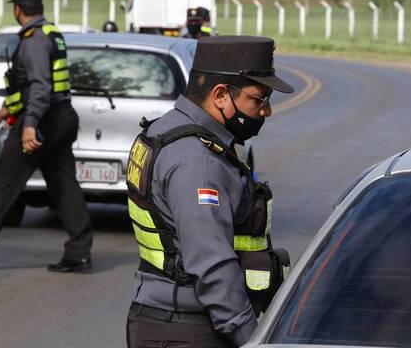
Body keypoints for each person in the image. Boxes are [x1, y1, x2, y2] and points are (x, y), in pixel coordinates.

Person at [125, 36, 294, 347]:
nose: (266, 111)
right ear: (220, 95)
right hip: (188, 329)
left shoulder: (164, 130)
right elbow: (211, 262)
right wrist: (251, 339)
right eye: (258, 100)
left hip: (167, 321)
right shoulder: (197, 162)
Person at [0, 0, 93, 272]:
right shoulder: (51, 34)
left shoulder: (33, 40)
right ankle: (79, 252)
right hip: (62, 116)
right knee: (63, 186)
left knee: (6, 181)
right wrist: (9, 107)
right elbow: (40, 83)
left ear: (17, 9)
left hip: (43, 119)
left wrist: (29, 125)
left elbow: (40, 85)